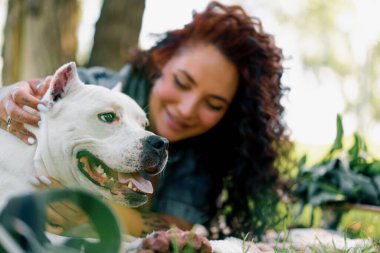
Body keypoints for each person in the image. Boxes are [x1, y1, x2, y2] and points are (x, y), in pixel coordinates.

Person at [0, 1, 292, 239]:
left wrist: (93, 210)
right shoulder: (96, 87)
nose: (187, 109)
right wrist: (12, 96)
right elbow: (41, 100)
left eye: (213, 104)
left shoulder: (207, 151)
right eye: (182, 82)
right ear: (161, 62)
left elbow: (173, 232)